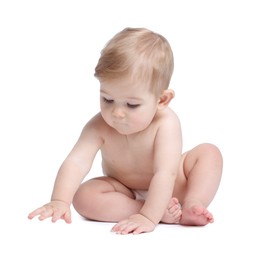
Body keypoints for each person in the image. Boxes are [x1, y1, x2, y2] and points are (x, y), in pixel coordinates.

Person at [28, 27, 223, 235]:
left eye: (131, 104)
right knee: (83, 197)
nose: (117, 113)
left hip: (174, 186)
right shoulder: (99, 125)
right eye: (108, 100)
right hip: (124, 190)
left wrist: (149, 219)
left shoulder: (166, 123)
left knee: (209, 154)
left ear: (162, 100)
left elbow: (166, 172)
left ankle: (193, 203)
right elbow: (76, 162)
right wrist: (60, 200)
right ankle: (152, 211)